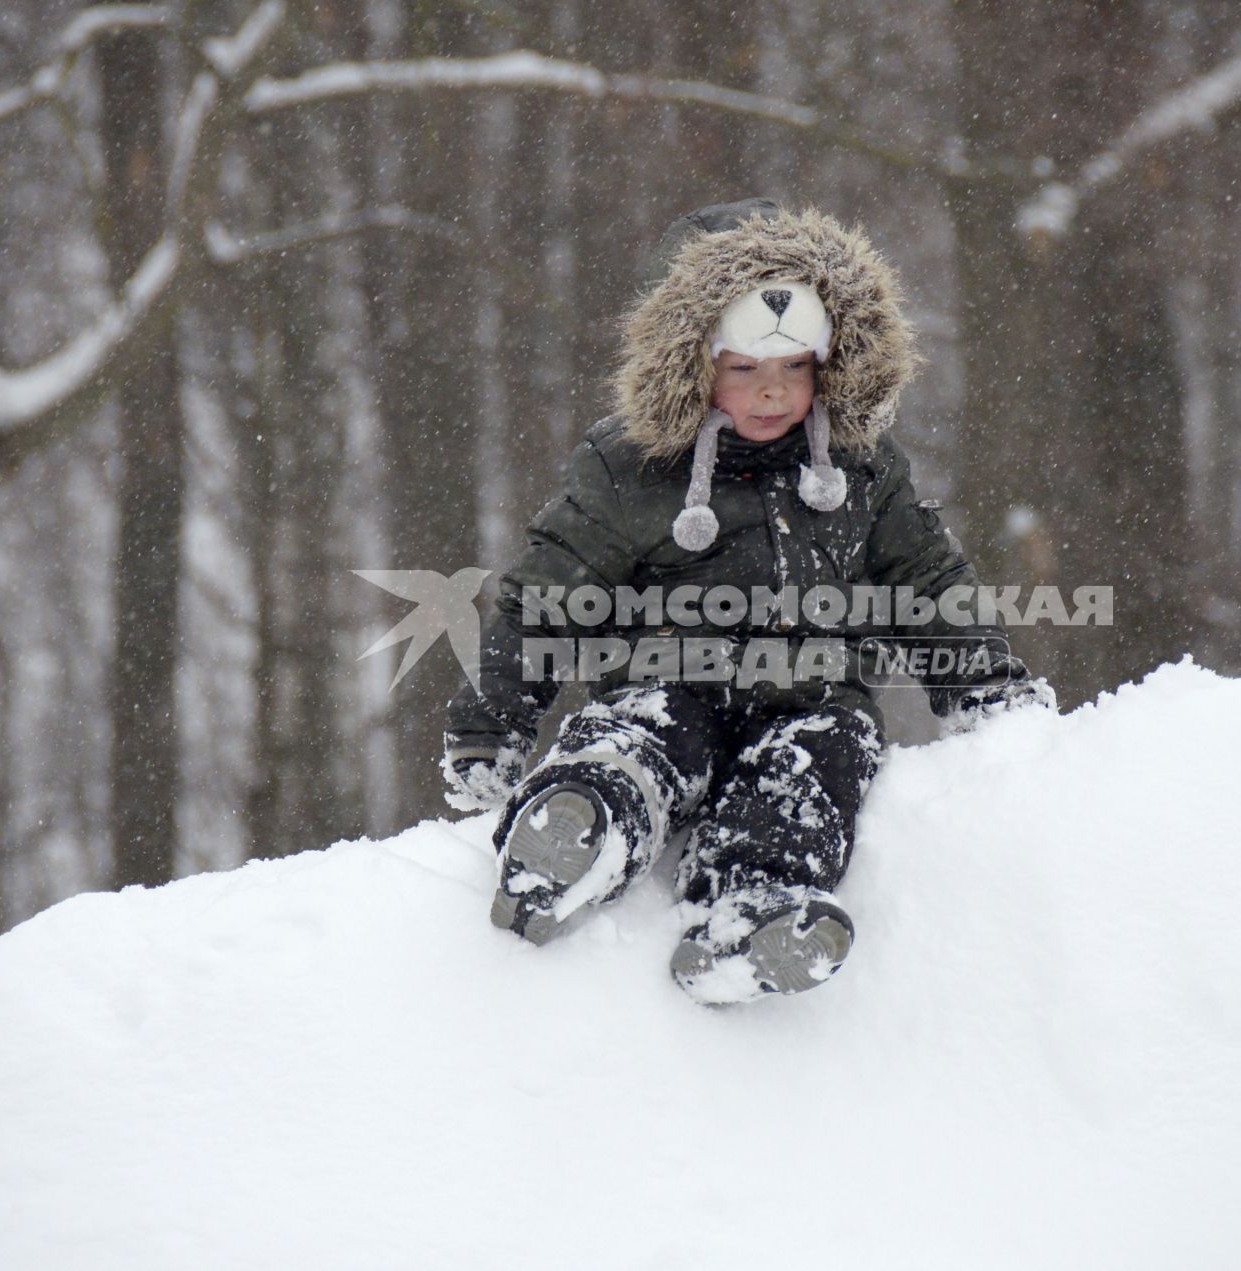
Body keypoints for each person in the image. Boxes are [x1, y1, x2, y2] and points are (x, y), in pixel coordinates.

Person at [442, 199, 1054, 1005]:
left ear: (829, 365)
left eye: (795, 368)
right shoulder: (630, 468)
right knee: (645, 737)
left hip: (811, 694)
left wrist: (987, 690)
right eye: (745, 368)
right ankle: (581, 821)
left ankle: (752, 913)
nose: (772, 393)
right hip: (665, 674)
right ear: (692, 361)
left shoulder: (862, 466)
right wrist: (491, 730)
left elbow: (926, 581)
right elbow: (545, 598)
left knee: (820, 767)